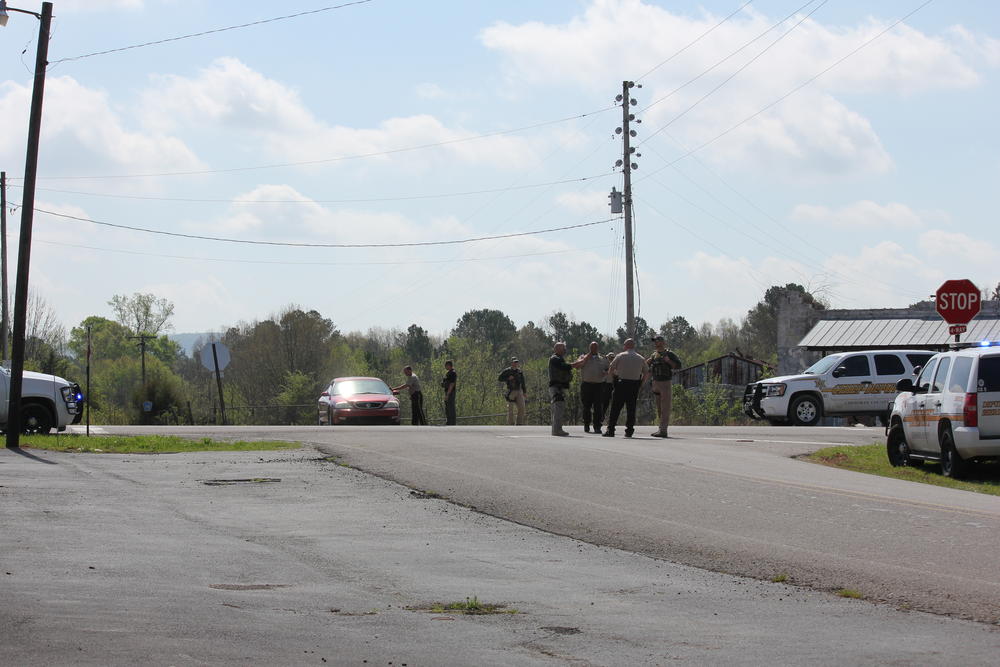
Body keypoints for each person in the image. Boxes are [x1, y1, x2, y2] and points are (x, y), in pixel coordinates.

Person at [603, 338, 649, 438]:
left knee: (615, 408)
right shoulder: (640, 358)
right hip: (634, 385)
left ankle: (610, 430)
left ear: (625, 345)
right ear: (633, 346)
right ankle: (629, 431)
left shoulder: (620, 356)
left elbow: (611, 368)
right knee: (631, 409)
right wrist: (641, 384)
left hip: (621, 384)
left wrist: (614, 378)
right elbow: (646, 373)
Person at [548, 342, 589, 437]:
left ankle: (557, 429)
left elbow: (568, 366)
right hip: (556, 387)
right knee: (558, 408)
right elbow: (565, 367)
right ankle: (557, 430)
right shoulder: (555, 359)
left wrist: (579, 361)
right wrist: (578, 362)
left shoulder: (559, 359)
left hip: (559, 387)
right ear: (557, 349)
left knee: (559, 408)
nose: (565, 350)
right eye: (563, 348)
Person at [647, 336, 682, 437]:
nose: (655, 343)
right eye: (655, 341)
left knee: (665, 408)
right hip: (655, 382)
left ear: (662, 342)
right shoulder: (654, 355)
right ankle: (660, 429)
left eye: (657, 341)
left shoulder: (669, 354)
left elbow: (679, 366)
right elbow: (647, 366)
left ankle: (663, 430)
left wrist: (668, 361)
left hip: (665, 382)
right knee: (659, 408)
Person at [578, 341, 610, 433]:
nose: (593, 349)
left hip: (599, 385)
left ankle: (597, 426)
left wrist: (606, 372)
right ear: (589, 348)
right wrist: (586, 358)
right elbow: (578, 365)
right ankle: (586, 425)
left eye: (595, 347)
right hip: (586, 385)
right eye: (592, 347)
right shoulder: (583, 357)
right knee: (586, 407)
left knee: (598, 407)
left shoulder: (603, 359)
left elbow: (609, 368)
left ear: (598, 348)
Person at [498, 358, 527, 425]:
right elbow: (499, 378)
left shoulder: (519, 371)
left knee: (522, 407)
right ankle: (511, 423)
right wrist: (508, 378)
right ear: (512, 363)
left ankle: (519, 423)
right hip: (511, 391)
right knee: (510, 409)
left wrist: (524, 392)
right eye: (514, 362)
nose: (516, 363)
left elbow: (523, 382)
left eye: (517, 362)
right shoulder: (507, 370)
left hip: (519, 391)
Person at [441, 360, 457, 425]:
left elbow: (452, 384)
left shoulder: (453, 373)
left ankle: (452, 423)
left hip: (450, 392)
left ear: (449, 365)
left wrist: (448, 394)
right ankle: (448, 422)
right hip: (447, 392)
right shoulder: (448, 373)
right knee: (447, 407)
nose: (445, 366)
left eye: (446, 365)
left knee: (451, 408)